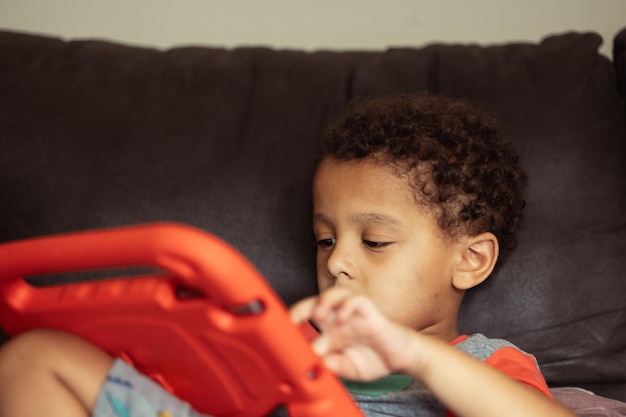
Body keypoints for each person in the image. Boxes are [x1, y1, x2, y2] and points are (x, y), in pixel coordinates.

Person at [0, 93, 575, 417]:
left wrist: (419, 358)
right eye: (325, 239)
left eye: (374, 241)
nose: (336, 262)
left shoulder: (484, 362)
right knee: (34, 357)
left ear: (470, 260)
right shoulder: (284, 332)